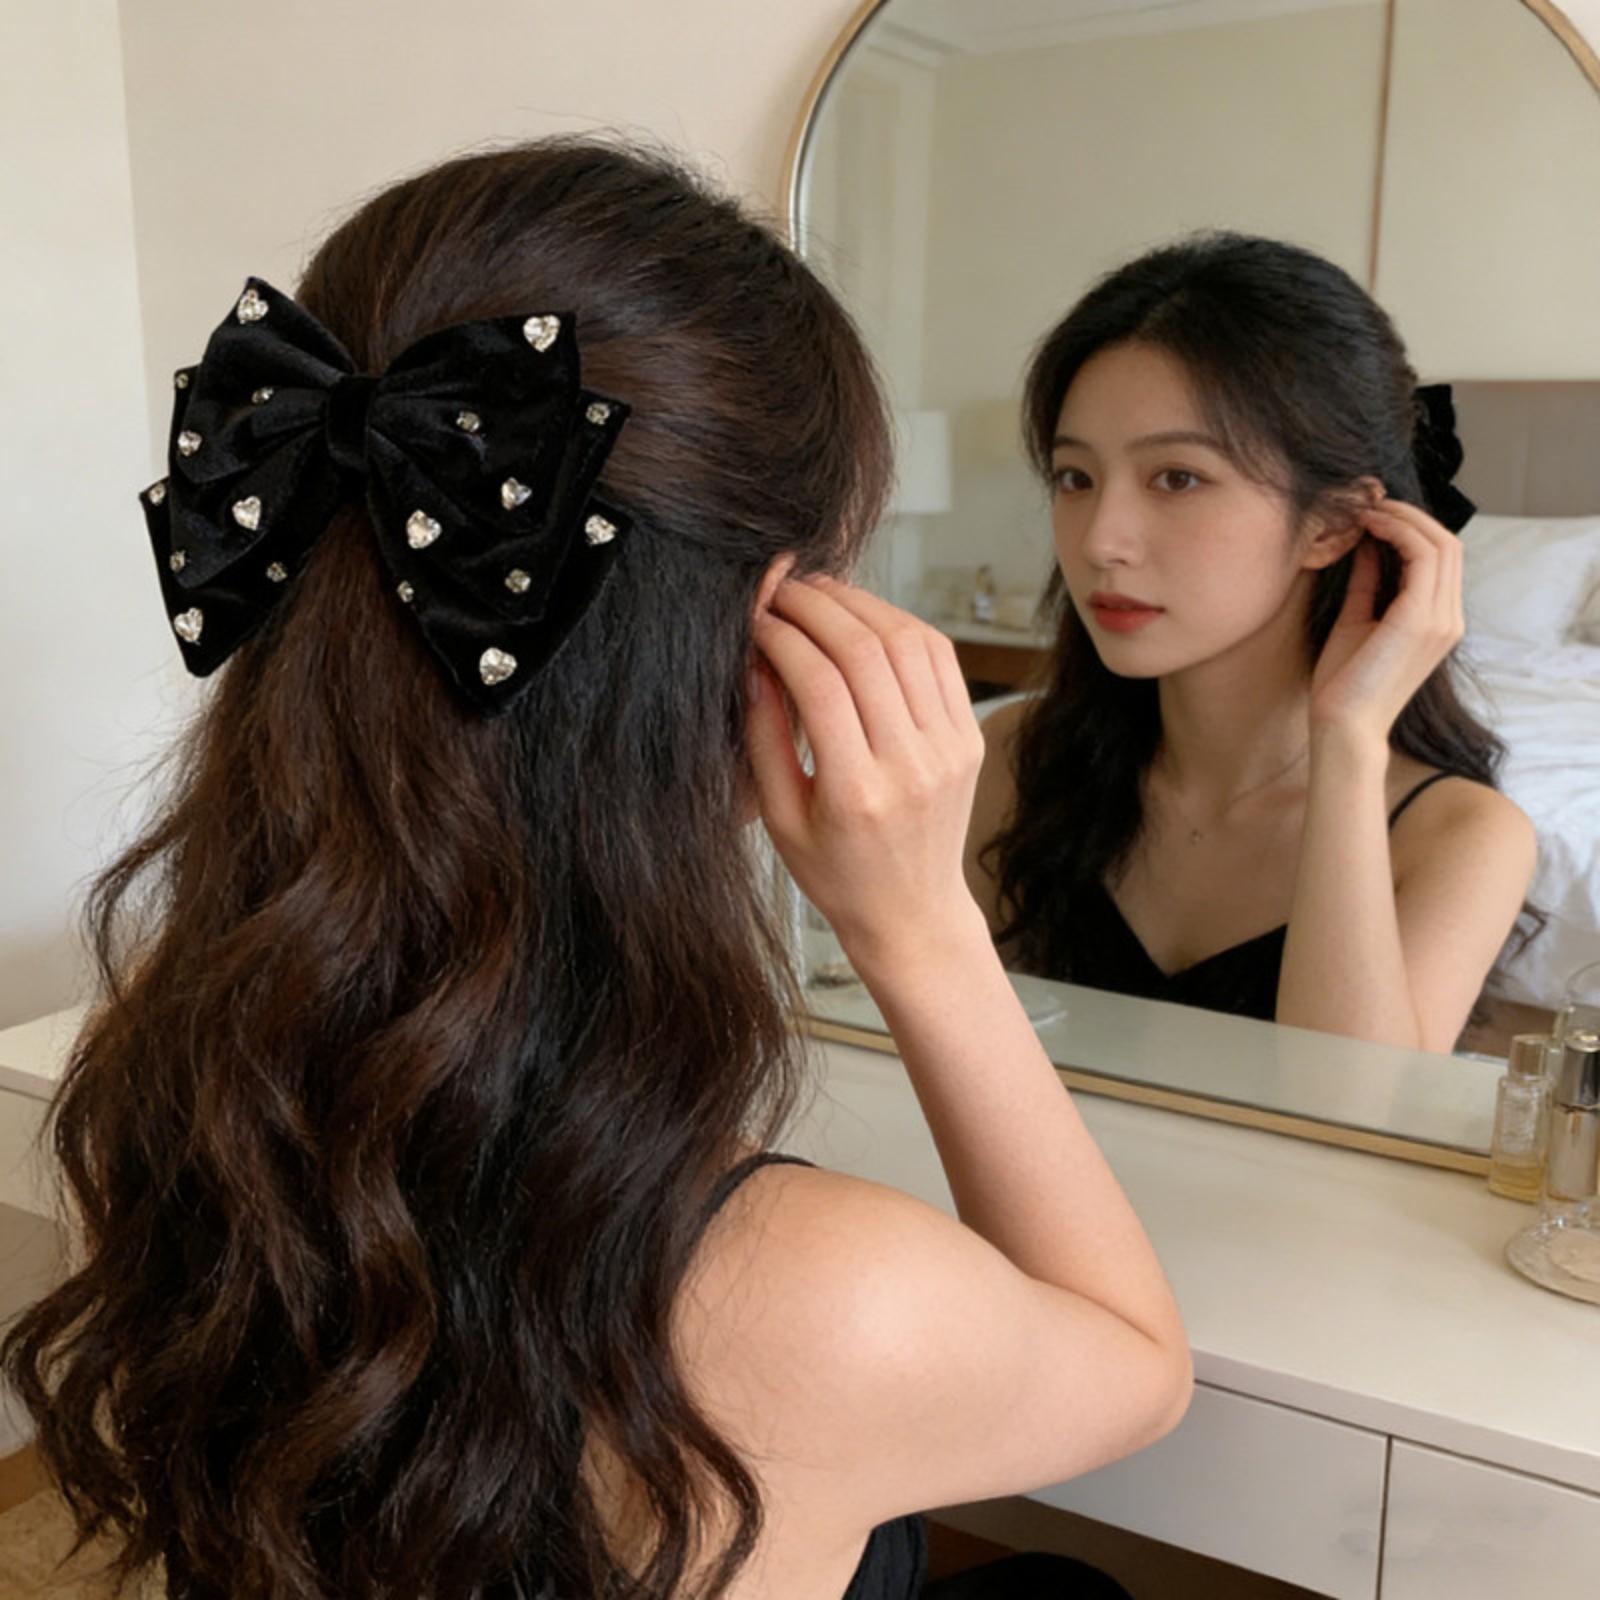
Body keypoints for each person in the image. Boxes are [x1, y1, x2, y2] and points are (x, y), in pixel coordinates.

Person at [3, 139, 1188, 1600]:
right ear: (766, 639)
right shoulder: (820, 1301)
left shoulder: (169, 1058)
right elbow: (1136, 1369)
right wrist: (922, 927)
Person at [966, 233, 1537, 1053]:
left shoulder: (1459, 836)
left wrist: (1347, 743)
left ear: (1332, 524)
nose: (1100, 541)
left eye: (1178, 478)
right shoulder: (1014, 759)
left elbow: (1347, 1111)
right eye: (1075, 478)